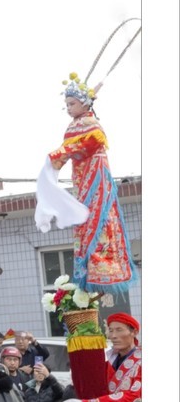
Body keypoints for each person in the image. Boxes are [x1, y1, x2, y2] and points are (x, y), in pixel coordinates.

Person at [42, 76, 134, 290]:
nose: (68, 108)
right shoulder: (75, 124)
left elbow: (86, 146)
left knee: (97, 216)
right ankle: (91, 266)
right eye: (66, 105)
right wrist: (56, 160)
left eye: (72, 104)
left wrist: (57, 156)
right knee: (85, 218)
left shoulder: (90, 124)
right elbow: (70, 151)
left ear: (84, 103)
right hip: (82, 179)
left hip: (96, 177)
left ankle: (103, 265)